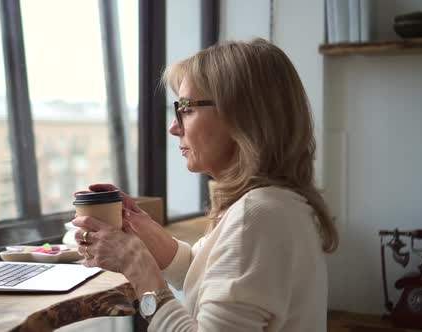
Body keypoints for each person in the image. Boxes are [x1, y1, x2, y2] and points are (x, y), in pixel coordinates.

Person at [72, 38, 338, 331]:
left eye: (186, 108)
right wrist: (147, 236)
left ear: (242, 116)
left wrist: (138, 267)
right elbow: (215, 277)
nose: (174, 127)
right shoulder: (278, 204)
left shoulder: (255, 217)